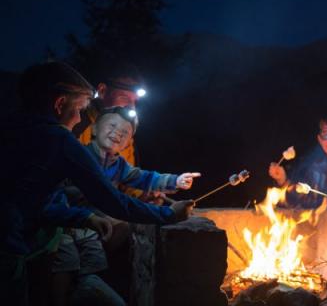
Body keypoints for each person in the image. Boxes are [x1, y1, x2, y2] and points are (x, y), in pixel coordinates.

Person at [0, 61, 193, 305]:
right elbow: (109, 199)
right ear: (59, 104)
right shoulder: (61, 139)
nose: (80, 116)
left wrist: (84, 218)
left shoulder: (10, 126)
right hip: (15, 247)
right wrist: (168, 214)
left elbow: (39, 196)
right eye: (79, 108)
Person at [50, 106, 201, 306]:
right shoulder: (81, 155)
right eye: (112, 125)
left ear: (128, 143)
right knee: (64, 264)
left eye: (125, 133)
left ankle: (85, 291)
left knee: (94, 263)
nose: (117, 133)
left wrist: (175, 180)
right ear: (94, 129)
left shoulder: (118, 165)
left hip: (91, 227)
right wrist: (167, 213)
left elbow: (142, 177)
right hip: (64, 224)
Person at [73, 63, 146, 166]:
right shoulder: (75, 123)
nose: (131, 107)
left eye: (135, 101)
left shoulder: (127, 141)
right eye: (124, 98)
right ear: (102, 91)